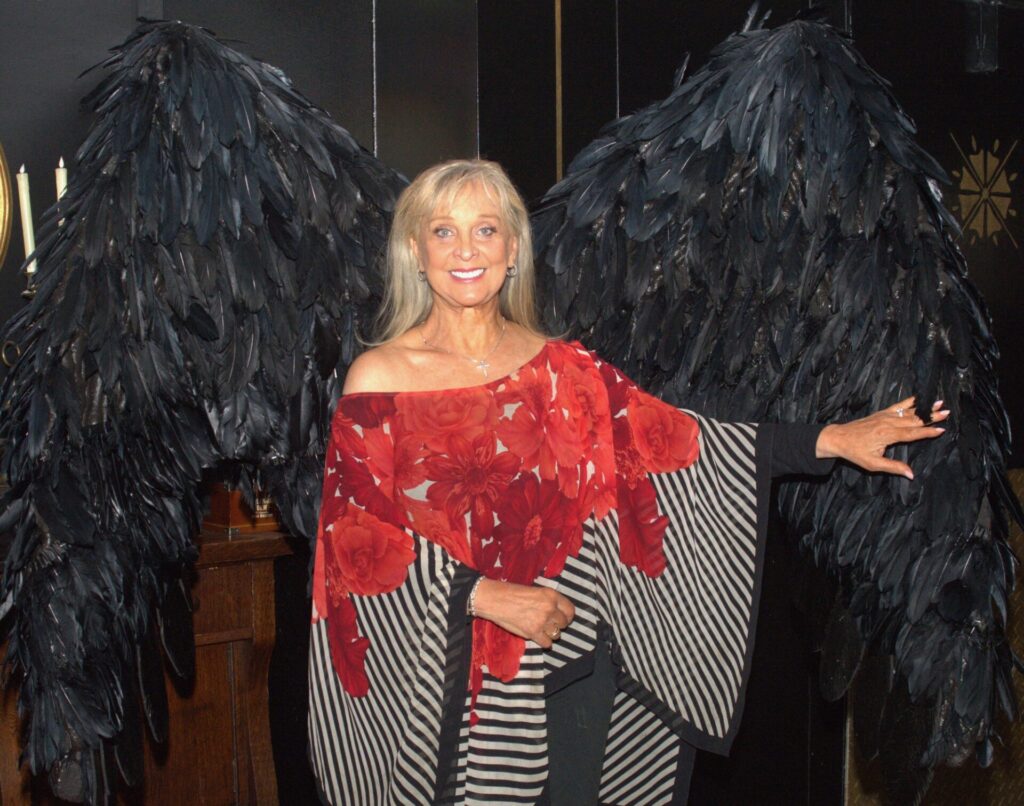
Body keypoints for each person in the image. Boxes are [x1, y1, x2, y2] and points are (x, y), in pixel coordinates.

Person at [306, 159, 947, 805]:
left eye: (486, 229)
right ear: (416, 252)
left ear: (513, 249)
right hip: (451, 686)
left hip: (575, 668)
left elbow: (673, 443)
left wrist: (829, 440)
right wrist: (479, 595)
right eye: (444, 231)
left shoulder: (564, 367)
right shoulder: (380, 377)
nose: (466, 250)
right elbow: (352, 538)